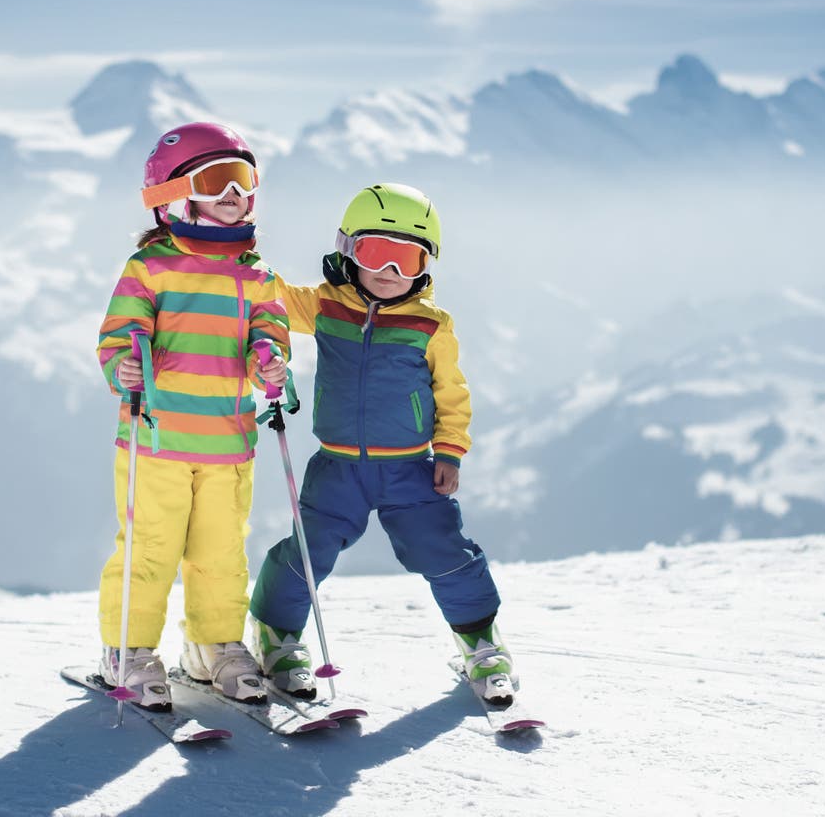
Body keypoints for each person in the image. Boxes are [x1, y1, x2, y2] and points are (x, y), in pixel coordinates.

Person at [248, 183, 517, 705]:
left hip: (410, 470)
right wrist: (240, 257)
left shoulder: (430, 324)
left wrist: (451, 450)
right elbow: (271, 294)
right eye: (377, 253)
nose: (390, 273)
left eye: (407, 259)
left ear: (425, 266)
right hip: (338, 467)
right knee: (310, 550)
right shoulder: (326, 306)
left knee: (442, 549)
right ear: (349, 250)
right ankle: (277, 637)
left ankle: (482, 643)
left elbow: (451, 393)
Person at [95, 121, 290, 707]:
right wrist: (122, 366)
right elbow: (120, 334)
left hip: (227, 446)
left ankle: (214, 647)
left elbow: (271, 331)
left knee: (221, 552)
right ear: (174, 195)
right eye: (216, 181)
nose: (234, 194)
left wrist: (270, 360)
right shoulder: (150, 268)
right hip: (156, 439)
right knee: (149, 548)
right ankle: (126, 650)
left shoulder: (258, 277)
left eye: (242, 179)